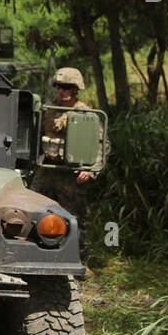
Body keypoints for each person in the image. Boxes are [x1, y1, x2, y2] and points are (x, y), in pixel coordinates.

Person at [29, 67, 101, 257]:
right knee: (30, 208)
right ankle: (34, 252)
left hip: (70, 173)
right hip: (48, 169)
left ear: (76, 89)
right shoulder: (49, 109)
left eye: (66, 87)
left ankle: (77, 258)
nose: (61, 91)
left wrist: (91, 169)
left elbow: (101, 144)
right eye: (59, 86)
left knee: (74, 218)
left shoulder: (85, 113)